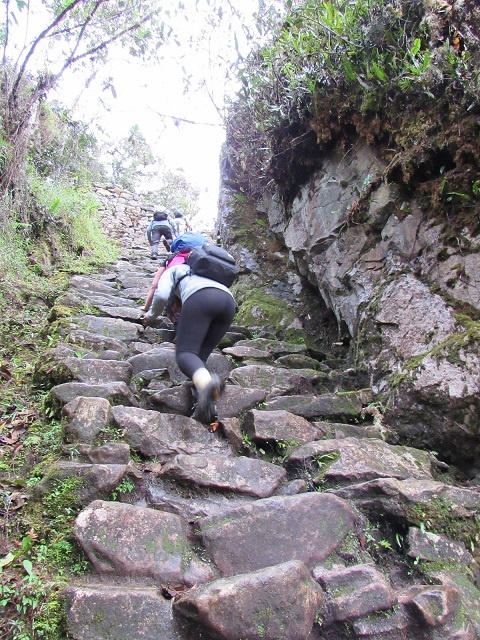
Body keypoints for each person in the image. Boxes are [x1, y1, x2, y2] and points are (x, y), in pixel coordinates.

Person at [143, 249, 235, 425]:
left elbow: (161, 294)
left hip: (201, 298)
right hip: (228, 303)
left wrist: (151, 315)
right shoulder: (215, 278)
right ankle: (208, 406)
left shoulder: (176, 269)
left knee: (185, 353)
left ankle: (208, 385)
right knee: (199, 358)